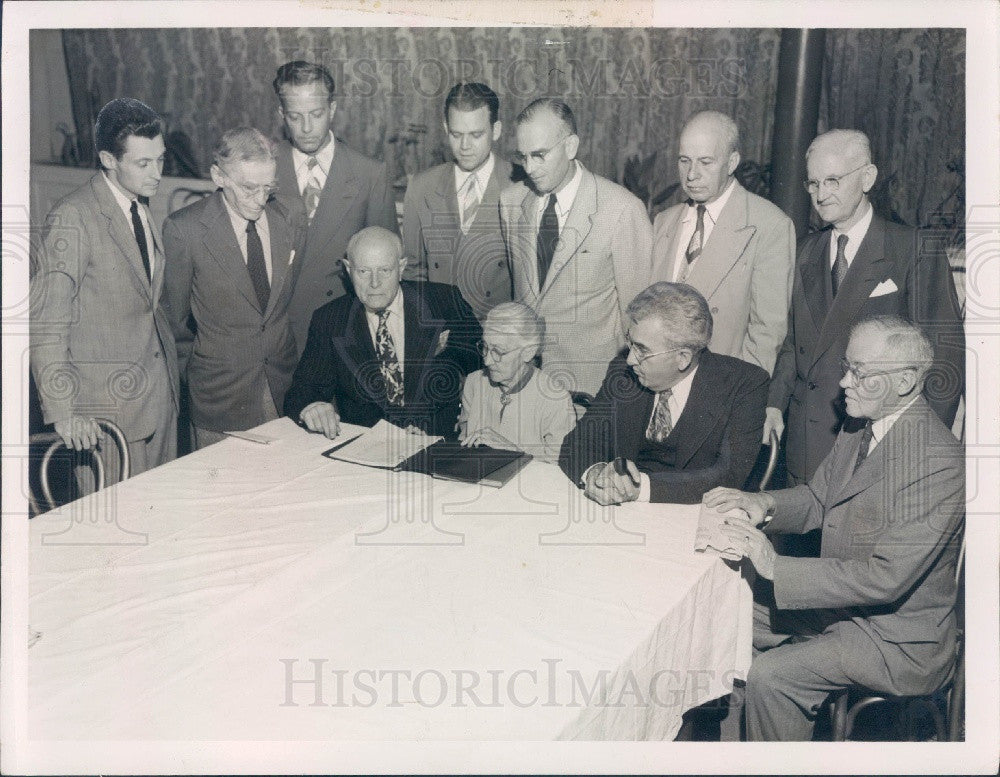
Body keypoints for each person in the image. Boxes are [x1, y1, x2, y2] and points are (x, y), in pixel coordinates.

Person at [705, 315, 964, 741]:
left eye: (859, 372)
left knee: (774, 677)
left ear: (903, 382)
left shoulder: (938, 462)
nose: (844, 382)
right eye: (847, 367)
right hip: (844, 609)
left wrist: (775, 564)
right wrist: (763, 503)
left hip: (897, 640)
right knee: (724, 615)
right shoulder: (859, 425)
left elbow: (886, 578)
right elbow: (819, 499)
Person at [765, 129, 964, 484]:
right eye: (813, 184)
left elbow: (945, 360)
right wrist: (774, 405)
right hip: (805, 447)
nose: (821, 195)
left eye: (833, 181)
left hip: (874, 450)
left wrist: (918, 450)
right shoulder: (806, 251)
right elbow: (794, 345)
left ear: (867, 177)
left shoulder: (914, 249)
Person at [30, 97, 179, 481]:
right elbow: (47, 323)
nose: (157, 173)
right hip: (105, 415)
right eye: (143, 163)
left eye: (160, 159)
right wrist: (64, 413)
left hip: (158, 400)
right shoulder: (73, 216)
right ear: (109, 160)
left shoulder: (138, 205)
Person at [558, 282, 768, 505]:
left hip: (694, 516)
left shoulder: (745, 384)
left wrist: (639, 489)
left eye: (643, 350)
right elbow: (577, 443)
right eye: (631, 343)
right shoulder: (623, 371)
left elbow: (728, 476)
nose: (630, 359)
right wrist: (596, 473)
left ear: (683, 358)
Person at [499, 98, 652, 399]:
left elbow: (637, 316)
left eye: (540, 155)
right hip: (526, 385)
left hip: (592, 389)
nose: (530, 168)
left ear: (571, 147)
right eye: (523, 157)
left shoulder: (622, 209)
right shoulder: (511, 202)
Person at [163, 127, 303, 449]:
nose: (260, 200)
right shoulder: (186, 230)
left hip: (282, 385)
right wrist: (200, 375)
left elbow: (282, 303)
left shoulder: (290, 217)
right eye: (249, 188)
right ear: (219, 176)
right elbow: (175, 321)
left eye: (268, 188)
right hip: (220, 396)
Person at [283, 226, 481, 438]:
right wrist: (312, 407)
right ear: (349, 270)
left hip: (437, 444)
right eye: (363, 272)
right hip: (367, 447)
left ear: (401, 267)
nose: (374, 283)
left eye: (384, 271)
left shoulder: (444, 302)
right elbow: (302, 392)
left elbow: (482, 365)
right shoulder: (331, 320)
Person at [650, 110, 794, 375]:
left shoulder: (769, 225)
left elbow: (766, 334)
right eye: (684, 160)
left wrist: (738, 400)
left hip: (720, 387)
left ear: (732, 162)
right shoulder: (664, 222)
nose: (691, 174)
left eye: (706, 162)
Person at [271, 60, 399, 350]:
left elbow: (387, 271)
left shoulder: (369, 174)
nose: (306, 128)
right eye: (294, 116)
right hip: (274, 337)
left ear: (332, 109)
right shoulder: (264, 167)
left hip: (340, 331)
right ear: (281, 114)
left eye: (316, 114)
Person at [402, 81, 514, 319]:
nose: (464, 146)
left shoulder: (521, 185)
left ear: (496, 130)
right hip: (443, 335)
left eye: (476, 135)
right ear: (445, 128)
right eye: (456, 134)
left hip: (500, 337)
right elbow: (414, 272)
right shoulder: (422, 187)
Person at [458, 302, 576, 463]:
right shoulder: (474, 383)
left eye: (498, 351)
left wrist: (514, 452)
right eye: (484, 347)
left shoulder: (555, 399)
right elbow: (463, 441)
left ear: (528, 352)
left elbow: (561, 467)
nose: (487, 361)